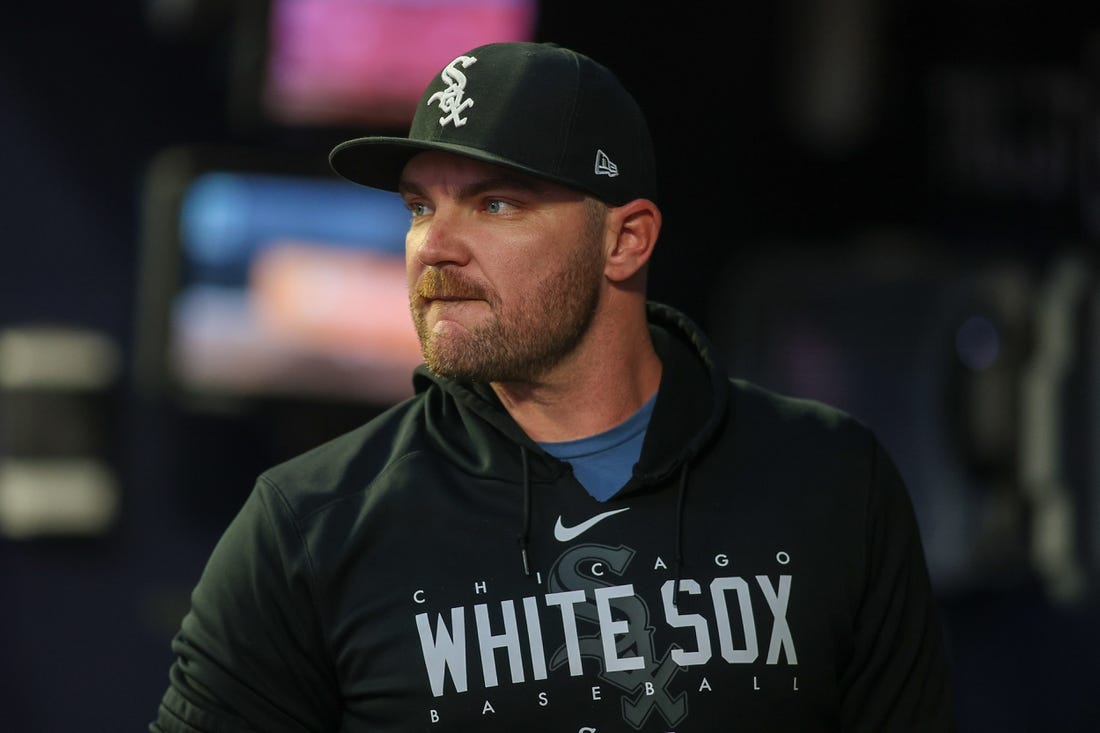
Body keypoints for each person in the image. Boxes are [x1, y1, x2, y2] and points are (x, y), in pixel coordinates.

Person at [150, 41, 956, 732]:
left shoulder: (833, 482)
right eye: (419, 206)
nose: (437, 246)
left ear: (626, 240)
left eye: (496, 203)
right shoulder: (305, 529)